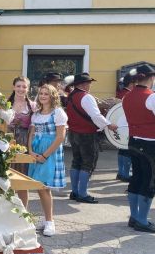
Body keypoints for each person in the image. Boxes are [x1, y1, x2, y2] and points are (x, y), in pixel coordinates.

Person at [66, 72, 118, 203]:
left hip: (73, 133)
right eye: (89, 83)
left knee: (76, 161)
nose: (90, 85)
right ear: (84, 84)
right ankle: (82, 194)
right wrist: (108, 124)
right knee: (88, 163)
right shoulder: (86, 97)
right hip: (87, 134)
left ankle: (74, 192)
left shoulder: (70, 96)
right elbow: (95, 116)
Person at [27, 84, 68, 237]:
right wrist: (30, 150)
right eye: (41, 93)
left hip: (50, 151)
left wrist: (45, 155)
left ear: (52, 96)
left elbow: (60, 137)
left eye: (46, 94)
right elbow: (32, 133)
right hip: (36, 149)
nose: (43, 96)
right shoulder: (36, 114)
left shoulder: (58, 112)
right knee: (39, 186)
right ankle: (46, 219)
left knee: (44, 187)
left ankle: (50, 221)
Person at [122, 64, 155, 233]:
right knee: (149, 181)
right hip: (150, 144)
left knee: (136, 178)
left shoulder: (127, 96)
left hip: (133, 141)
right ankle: (142, 220)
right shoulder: (151, 97)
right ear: (151, 78)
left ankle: (134, 216)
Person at [7, 76, 36, 208]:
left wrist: (31, 147)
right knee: (7, 177)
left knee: (22, 179)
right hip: (7, 142)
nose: (21, 89)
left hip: (24, 142)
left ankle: (23, 212)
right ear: (13, 87)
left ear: (28, 89)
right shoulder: (6, 104)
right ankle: (9, 210)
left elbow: (34, 128)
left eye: (24, 86)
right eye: (18, 86)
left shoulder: (33, 106)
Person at [116, 72, 135, 183]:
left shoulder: (121, 93)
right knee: (127, 150)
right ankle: (125, 174)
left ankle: (120, 172)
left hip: (120, 125)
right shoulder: (128, 95)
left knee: (121, 150)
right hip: (127, 125)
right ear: (131, 83)